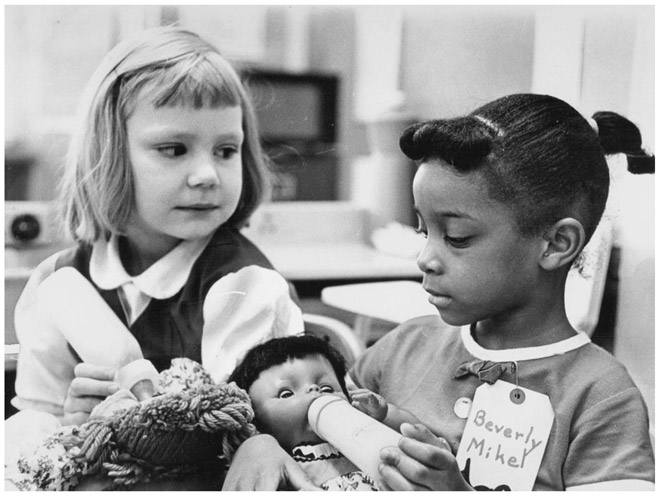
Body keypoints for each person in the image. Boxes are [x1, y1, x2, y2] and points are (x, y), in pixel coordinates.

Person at [222, 93, 655, 491]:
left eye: (458, 237)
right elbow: (302, 427)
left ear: (556, 244)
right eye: (423, 229)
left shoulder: (600, 398)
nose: (425, 258)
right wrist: (257, 445)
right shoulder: (401, 349)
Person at [10, 26, 304, 428]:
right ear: (110, 155)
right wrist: (69, 421)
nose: (207, 175)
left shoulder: (244, 288)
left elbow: (243, 436)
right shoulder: (56, 282)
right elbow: (34, 423)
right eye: (174, 149)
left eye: (225, 150)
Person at [228, 334, 420, 491]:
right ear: (256, 419)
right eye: (286, 393)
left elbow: (413, 433)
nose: (314, 390)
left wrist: (383, 416)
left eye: (327, 388)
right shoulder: (274, 460)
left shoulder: (360, 431)